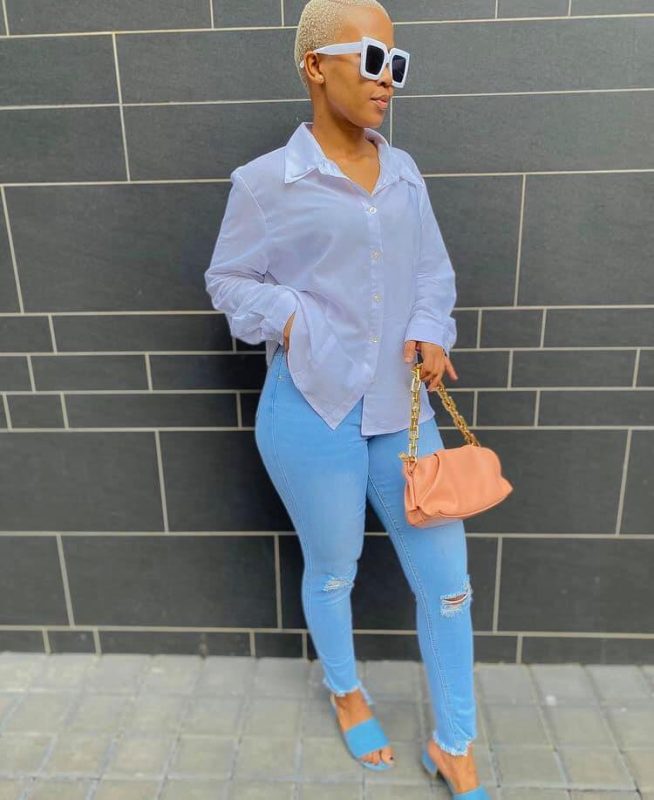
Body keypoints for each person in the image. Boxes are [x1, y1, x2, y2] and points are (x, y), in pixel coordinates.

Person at [204, 1, 489, 796]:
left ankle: (455, 743)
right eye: (371, 59)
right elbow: (227, 280)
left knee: (449, 586)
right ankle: (347, 691)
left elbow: (431, 270)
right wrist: (290, 315)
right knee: (334, 571)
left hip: (403, 415)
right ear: (314, 65)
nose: (386, 80)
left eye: (396, 64)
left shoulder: (405, 172)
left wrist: (430, 330)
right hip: (310, 412)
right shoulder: (265, 182)